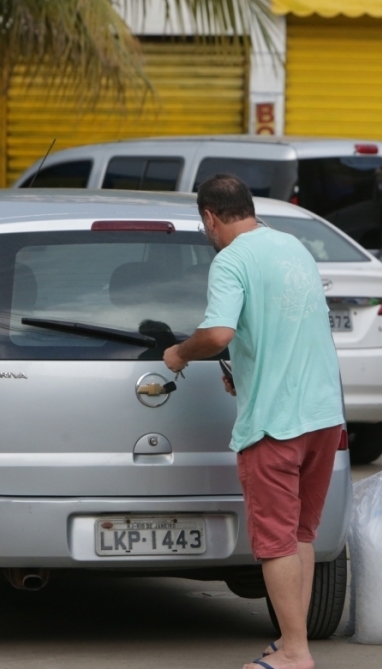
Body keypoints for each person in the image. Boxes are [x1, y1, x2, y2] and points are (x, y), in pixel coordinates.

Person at [163, 175, 344, 669]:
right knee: (300, 536)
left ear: (210, 217)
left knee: (276, 543)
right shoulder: (294, 248)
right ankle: (293, 642)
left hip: (275, 425)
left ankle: (295, 652)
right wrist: (248, 376)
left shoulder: (230, 260)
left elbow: (219, 333)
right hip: (323, 417)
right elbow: (292, 329)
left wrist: (180, 352)